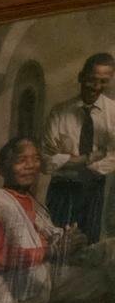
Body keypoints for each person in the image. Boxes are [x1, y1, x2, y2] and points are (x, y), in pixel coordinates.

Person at [0, 136, 108, 303]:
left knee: (110, 249)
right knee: (108, 278)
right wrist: (52, 251)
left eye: (35, 159)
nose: (31, 166)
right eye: (21, 160)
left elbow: (49, 241)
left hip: (45, 275)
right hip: (18, 289)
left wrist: (73, 240)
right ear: (3, 168)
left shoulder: (36, 205)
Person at [42, 51, 115, 240]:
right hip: (61, 190)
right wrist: (88, 158)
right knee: (55, 243)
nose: (97, 87)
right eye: (92, 79)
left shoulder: (114, 113)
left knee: (88, 247)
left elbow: (113, 156)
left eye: (104, 81)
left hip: (94, 191)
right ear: (81, 77)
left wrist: (72, 163)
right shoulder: (59, 112)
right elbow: (47, 158)